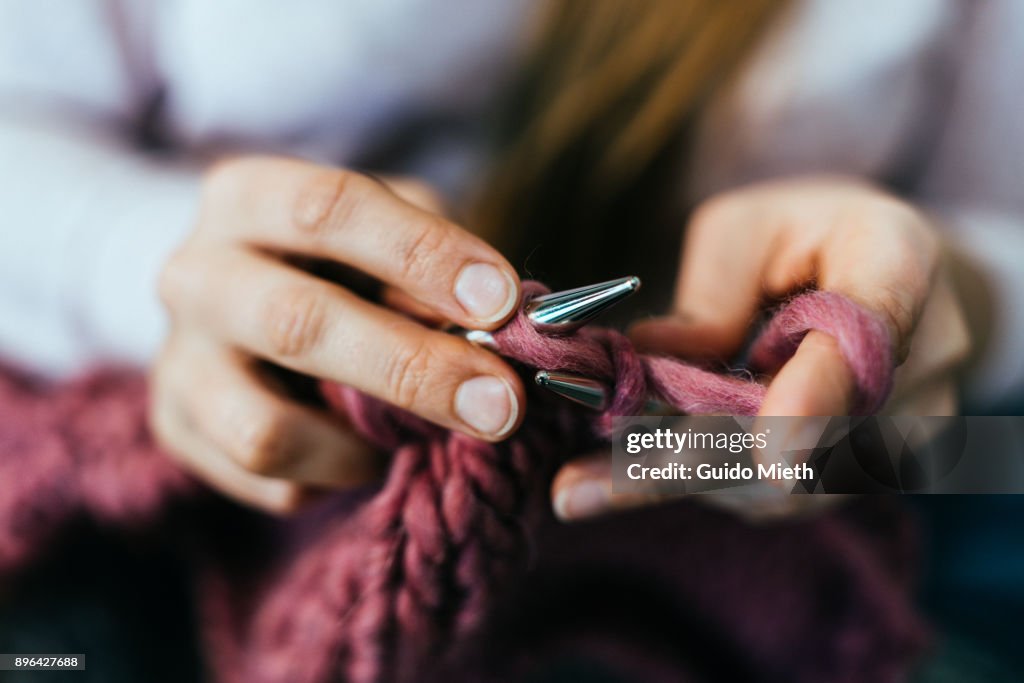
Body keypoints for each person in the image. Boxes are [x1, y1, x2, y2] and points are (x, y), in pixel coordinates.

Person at [0, 0, 1020, 522]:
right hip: (167, 464)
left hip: (772, 522)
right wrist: (150, 261)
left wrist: (953, 310)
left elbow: (997, 264)